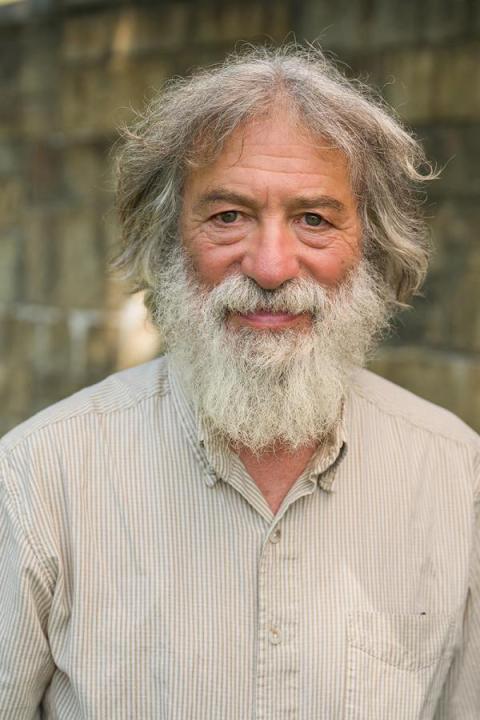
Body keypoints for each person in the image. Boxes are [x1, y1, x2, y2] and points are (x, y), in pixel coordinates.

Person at [0, 45, 478, 720]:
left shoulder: (457, 478)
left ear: (372, 244)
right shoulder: (39, 477)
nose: (272, 266)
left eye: (314, 218)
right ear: (170, 239)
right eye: (227, 216)